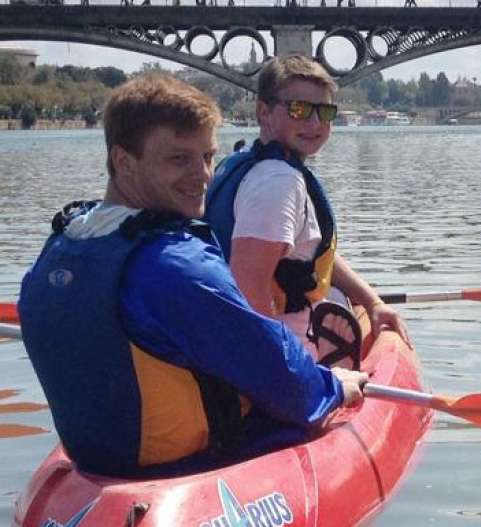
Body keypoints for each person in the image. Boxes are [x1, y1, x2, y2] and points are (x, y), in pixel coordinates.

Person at [18, 74, 369, 480]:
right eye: (178, 159)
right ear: (122, 161)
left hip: (95, 462)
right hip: (190, 465)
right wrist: (335, 387)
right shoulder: (175, 267)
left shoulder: (63, 246)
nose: (202, 176)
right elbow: (283, 381)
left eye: (206, 157)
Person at [204, 55, 410, 366]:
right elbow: (248, 283)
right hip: (282, 346)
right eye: (299, 109)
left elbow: (309, 252)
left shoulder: (247, 162)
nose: (314, 123)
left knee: (350, 308)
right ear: (264, 111)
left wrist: (372, 301)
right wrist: (284, 372)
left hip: (235, 334)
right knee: (355, 324)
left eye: (324, 111)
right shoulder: (278, 181)